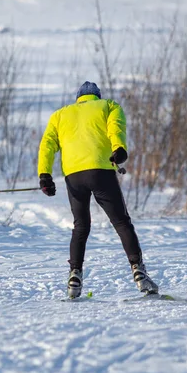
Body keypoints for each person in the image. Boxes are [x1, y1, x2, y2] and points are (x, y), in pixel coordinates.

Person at [37, 81, 158, 299]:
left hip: (74, 176)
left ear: (79, 99)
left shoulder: (60, 115)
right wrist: (118, 148)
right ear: (97, 96)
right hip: (100, 172)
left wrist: (44, 175)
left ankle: (74, 276)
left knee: (80, 227)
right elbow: (115, 128)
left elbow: (48, 144)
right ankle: (139, 272)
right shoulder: (108, 106)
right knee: (121, 222)